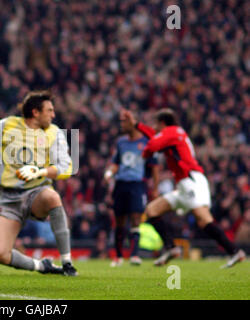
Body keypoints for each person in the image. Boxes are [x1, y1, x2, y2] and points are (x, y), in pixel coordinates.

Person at [0, 90, 78, 276]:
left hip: (36, 192)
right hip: (9, 199)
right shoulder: (9, 124)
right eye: (49, 110)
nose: (53, 114)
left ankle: (67, 263)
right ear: (36, 112)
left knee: (52, 197)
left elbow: (66, 166)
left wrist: (40, 171)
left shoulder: (54, 133)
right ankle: (43, 266)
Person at [123, 108, 246, 268]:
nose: (155, 128)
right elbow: (155, 136)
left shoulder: (172, 131)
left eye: (156, 125)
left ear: (162, 123)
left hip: (191, 180)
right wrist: (137, 125)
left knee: (203, 219)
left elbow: (152, 144)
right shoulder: (173, 133)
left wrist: (145, 153)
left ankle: (235, 251)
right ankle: (171, 248)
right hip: (183, 185)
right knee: (152, 210)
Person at [104, 110, 159, 267]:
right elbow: (116, 163)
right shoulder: (121, 142)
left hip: (137, 184)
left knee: (136, 219)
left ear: (133, 122)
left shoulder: (146, 142)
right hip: (121, 183)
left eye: (124, 122)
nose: (122, 125)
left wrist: (155, 188)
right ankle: (119, 256)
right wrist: (109, 173)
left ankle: (135, 255)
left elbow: (155, 167)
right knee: (119, 220)